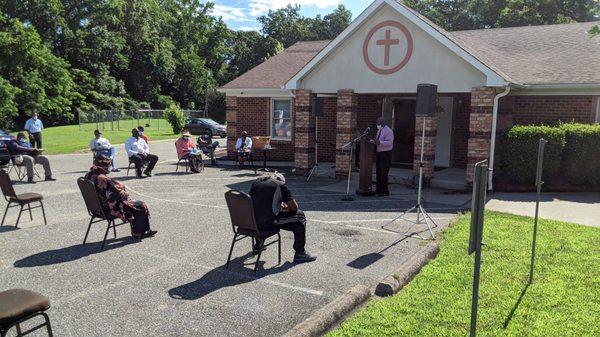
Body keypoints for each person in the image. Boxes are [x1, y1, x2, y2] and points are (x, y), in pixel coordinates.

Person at [249, 173, 316, 263]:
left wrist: (278, 203)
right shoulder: (280, 185)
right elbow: (294, 208)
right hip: (268, 224)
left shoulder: (256, 183)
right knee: (300, 217)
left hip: (252, 223)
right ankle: (300, 253)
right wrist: (285, 205)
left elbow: (261, 201)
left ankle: (258, 245)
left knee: (260, 212)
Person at [85, 155, 157, 239]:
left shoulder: (88, 175)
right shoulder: (103, 179)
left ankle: (139, 231)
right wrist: (124, 192)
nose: (109, 167)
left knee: (132, 203)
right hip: (110, 209)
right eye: (108, 165)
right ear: (103, 166)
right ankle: (140, 232)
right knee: (140, 205)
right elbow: (116, 195)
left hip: (96, 208)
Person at [370, 117, 394, 196]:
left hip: (386, 154)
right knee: (379, 172)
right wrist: (373, 141)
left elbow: (389, 142)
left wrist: (379, 142)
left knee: (383, 173)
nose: (377, 124)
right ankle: (378, 190)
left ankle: (384, 191)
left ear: (383, 123)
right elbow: (377, 140)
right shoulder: (380, 130)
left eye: (378, 123)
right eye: (377, 123)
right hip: (379, 153)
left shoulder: (389, 131)